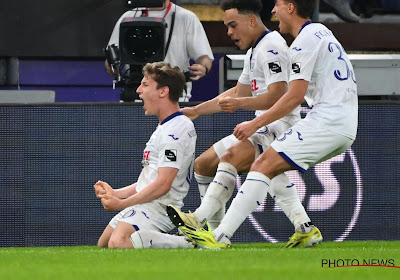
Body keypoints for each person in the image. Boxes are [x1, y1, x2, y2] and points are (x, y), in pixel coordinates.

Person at [181, 0, 357, 249]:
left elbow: (289, 96)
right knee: (253, 166)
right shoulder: (320, 32)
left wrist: (254, 123)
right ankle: (304, 227)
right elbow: (238, 93)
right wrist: (198, 110)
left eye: (277, 5)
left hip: (320, 121)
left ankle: (213, 231)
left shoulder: (292, 44)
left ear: (290, 7)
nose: (273, 11)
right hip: (340, 120)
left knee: (256, 163)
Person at [94, 62, 197, 249]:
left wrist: (121, 204)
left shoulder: (175, 129)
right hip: (147, 204)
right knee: (104, 245)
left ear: (163, 91)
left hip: (161, 208)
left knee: (118, 242)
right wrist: (115, 193)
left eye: (145, 85)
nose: (139, 91)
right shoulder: (165, 126)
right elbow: (151, 179)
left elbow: (163, 184)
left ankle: (189, 242)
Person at [105, 0, 214, 102]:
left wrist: (203, 68)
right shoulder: (128, 17)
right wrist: (112, 66)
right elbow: (111, 60)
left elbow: (204, 58)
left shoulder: (186, 18)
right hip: (135, 95)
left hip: (173, 98)